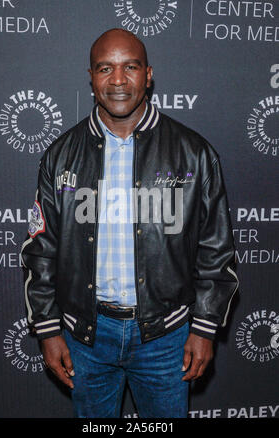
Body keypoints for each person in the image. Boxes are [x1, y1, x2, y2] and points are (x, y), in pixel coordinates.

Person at [21, 28, 238, 418]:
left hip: (165, 337)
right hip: (85, 337)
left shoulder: (194, 152)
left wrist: (204, 329)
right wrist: (49, 330)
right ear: (90, 76)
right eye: (105, 68)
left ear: (148, 74)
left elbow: (215, 248)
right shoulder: (60, 155)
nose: (118, 80)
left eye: (130, 67)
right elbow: (41, 249)